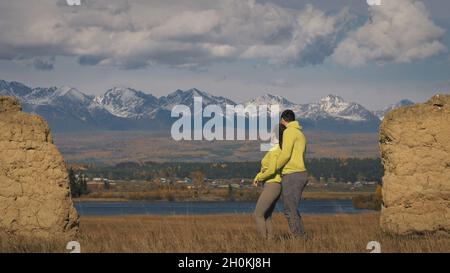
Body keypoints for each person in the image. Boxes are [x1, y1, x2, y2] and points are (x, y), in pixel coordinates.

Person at [276, 110, 308, 238]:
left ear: (283, 119)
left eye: (280, 120)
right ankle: (302, 237)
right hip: (299, 173)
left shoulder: (289, 132)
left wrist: (275, 167)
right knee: (292, 209)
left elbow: (286, 154)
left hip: (292, 174)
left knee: (289, 210)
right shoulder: (300, 133)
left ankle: (300, 239)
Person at [253, 124, 286, 239]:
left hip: (272, 185)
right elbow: (266, 169)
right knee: (267, 215)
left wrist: (259, 178)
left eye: (272, 134)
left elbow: (271, 170)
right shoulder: (278, 150)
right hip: (274, 185)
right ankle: (270, 243)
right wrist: (259, 175)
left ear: (276, 136)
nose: (270, 136)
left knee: (258, 214)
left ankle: (263, 242)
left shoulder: (274, 151)